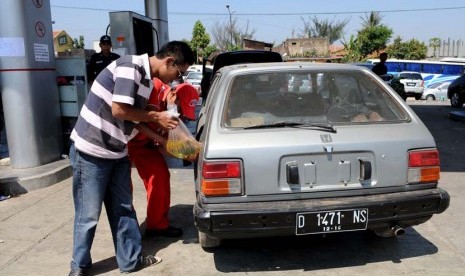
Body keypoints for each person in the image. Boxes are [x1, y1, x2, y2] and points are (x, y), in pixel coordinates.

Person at [68, 41, 194, 276]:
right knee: (88, 216)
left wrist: (162, 138)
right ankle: (79, 267)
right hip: (91, 152)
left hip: (117, 151)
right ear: (169, 61)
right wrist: (157, 117)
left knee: (124, 210)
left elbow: (134, 119)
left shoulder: (146, 81)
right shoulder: (131, 68)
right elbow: (119, 110)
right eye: (179, 72)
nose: (177, 78)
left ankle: (130, 261)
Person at [128, 81, 199, 238]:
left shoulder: (171, 110)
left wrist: (186, 150)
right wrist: (162, 140)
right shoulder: (152, 88)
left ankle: (157, 225)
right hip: (123, 140)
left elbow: (170, 141)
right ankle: (127, 232)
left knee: (159, 176)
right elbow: (133, 121)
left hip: (144, 144)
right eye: (181, 107)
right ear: (173, 95)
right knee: (123, 187)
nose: (179, 112)